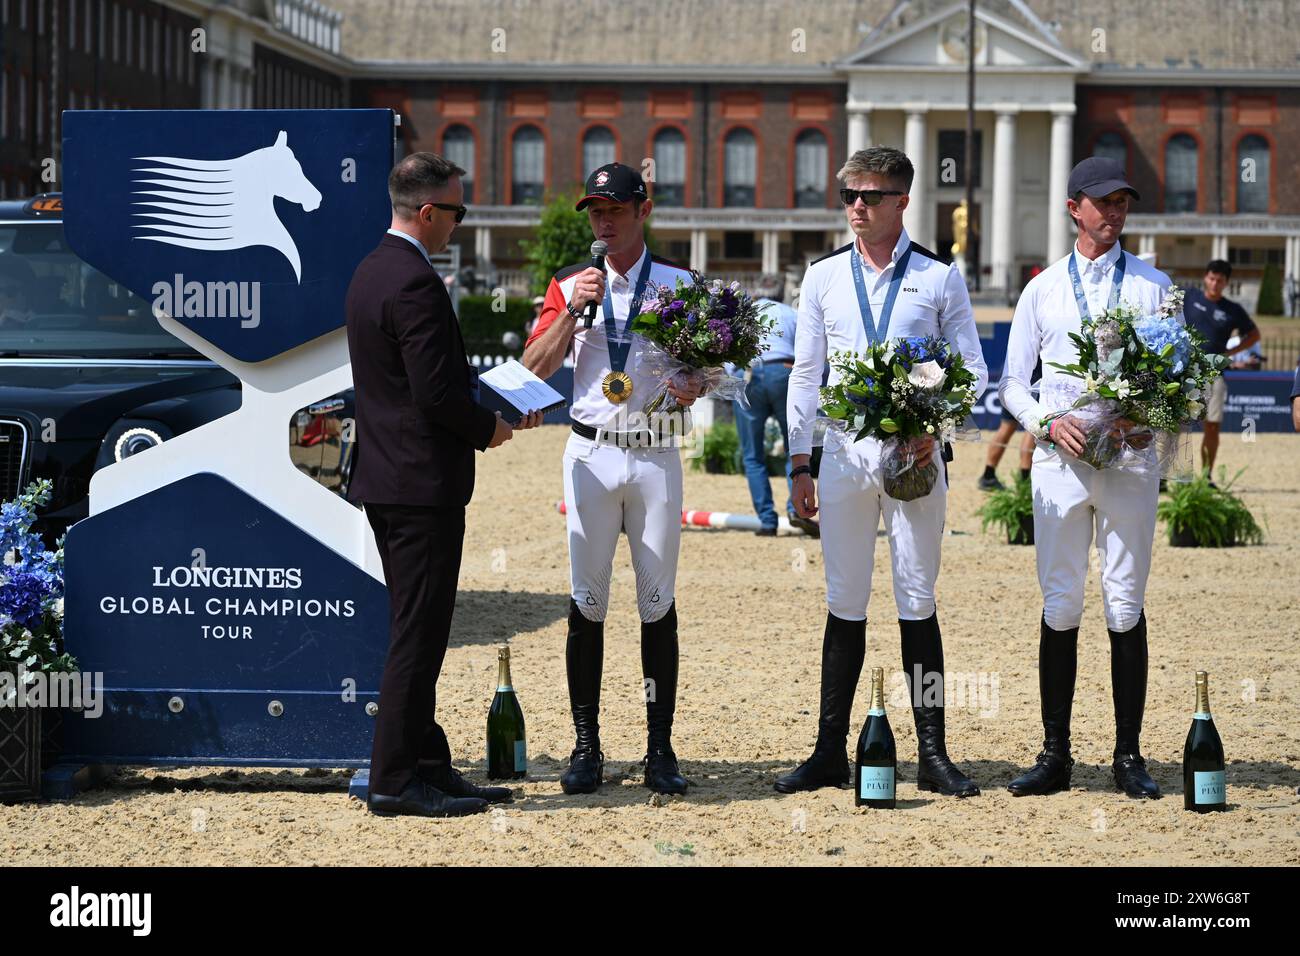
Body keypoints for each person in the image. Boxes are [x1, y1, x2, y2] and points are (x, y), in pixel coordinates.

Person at [778, 146, 988, 798]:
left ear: (902, 200)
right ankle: (827, 752)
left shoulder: (939, 277)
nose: (856, 207)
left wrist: (936, 428)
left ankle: (932, 753)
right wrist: (799, 461)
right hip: (842, 456)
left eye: (869, 196)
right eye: (849, 196)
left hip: (914, 458)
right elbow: (806, 374)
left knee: (917, 600)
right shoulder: (822, 277)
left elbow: (974, 371)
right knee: (844, 602)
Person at [346, 152, 543, 817]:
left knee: (417, 627)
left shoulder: (372, 270)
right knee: (418, 635)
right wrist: (487, 427)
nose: (459, 224)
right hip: (418, 485)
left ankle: (428, 764)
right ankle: (394, 782)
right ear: (428, 212)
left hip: (387, 478)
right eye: (456, 212)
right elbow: (434, 395)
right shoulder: (414, 282)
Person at [522, 162, 702, 796]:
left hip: (655, 456)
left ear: (643, 211)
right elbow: (532, 366)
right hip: (591, 453)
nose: (603, 220)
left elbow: (704, 374)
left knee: (657, 602)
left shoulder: (680, 283)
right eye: (595, 211)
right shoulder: (570, 283)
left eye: (615, 210)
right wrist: (573, 312)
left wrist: (694, 385)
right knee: (587, 602)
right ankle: (586, 745)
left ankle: (660, 749)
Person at [999, 155, 1172, 800]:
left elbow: (1180, 385)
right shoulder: (1040, 290)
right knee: (1061, 602)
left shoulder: (1155, 286)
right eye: (1104, 202)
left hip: (1129, 463)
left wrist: (1151, 420)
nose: (1115, 212)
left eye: (1123, 201)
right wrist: (1046, 424)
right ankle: (1055, 755)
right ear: (1074, 208)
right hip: (1061, 465)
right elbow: (1013, 383)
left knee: (1124, 603)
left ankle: (1129, 756)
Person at [732, 281, 815, 536]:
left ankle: (767, 521)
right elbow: (808, 347)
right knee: (795, 448)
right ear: (780, 295)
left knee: (752, 453)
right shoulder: (791, 313)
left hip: (749, 374)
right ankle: (795, 508)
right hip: (785, 371)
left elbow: (726, 350)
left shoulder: (743, 315)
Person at [1183, 260, 1260, 475]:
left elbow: (1254, 335)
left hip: (1214, 374)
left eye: (1220, 280)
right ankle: (1165, 477)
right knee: (1173, 424)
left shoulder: (1232, 310)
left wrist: (1229, 354)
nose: (1215, 283)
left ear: (1226, 283)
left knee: (1212, 425)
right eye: (1212, 278)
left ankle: (1206, 476)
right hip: (1183, 371)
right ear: (1205, 278)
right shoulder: (1189, 297)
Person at [979, 359, 1039, 490]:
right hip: (1033, 383)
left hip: (1012, 383)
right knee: (1033, 430)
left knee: (1006, 427)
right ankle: (1024, 482)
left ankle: (988, 475)